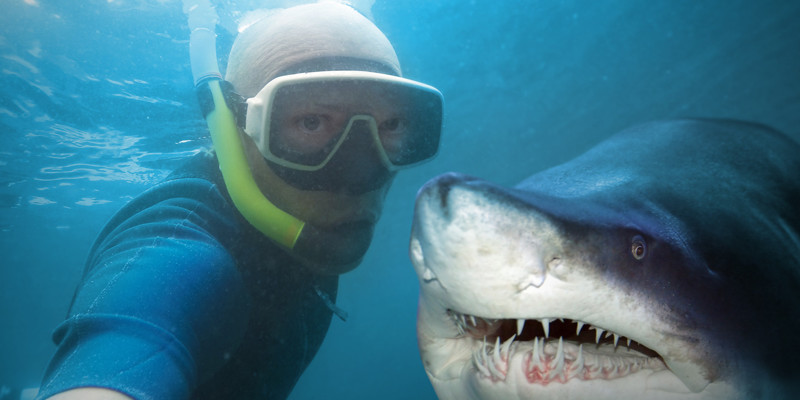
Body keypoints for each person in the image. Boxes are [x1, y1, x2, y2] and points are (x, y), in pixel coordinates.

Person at [35, 3, 443, 399]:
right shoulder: (179, 256)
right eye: (311, 122)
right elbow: (131, 329)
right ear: (236, 128)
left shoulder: (301, 216)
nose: (359, 177)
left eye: (391, 124)